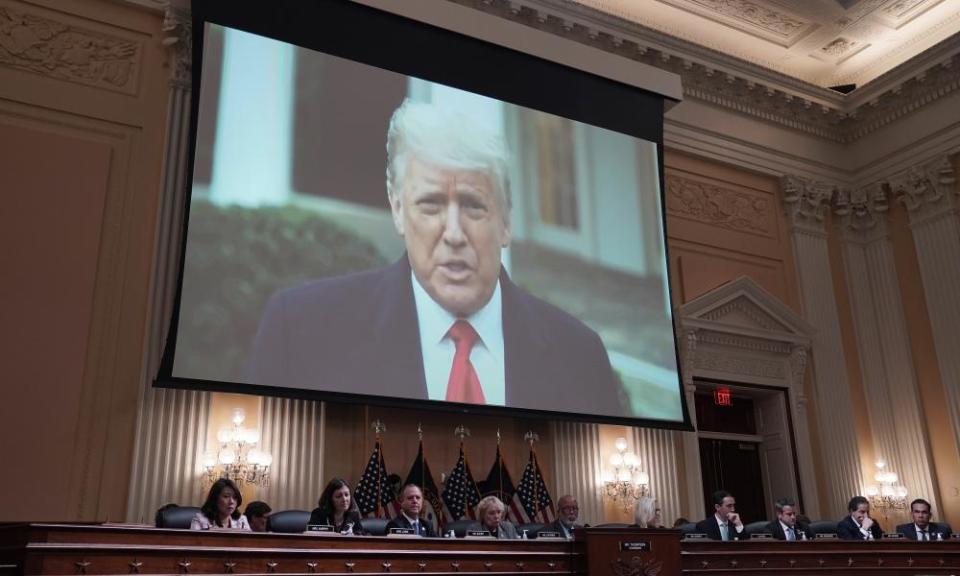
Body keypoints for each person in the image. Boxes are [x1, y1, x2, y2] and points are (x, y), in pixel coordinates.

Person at [248, 99, 622, 416]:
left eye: (474, 206)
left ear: (506, 220)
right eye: (431, 205)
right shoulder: (299, 329)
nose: (454, 233)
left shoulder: (580, 355)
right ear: (398, 210)